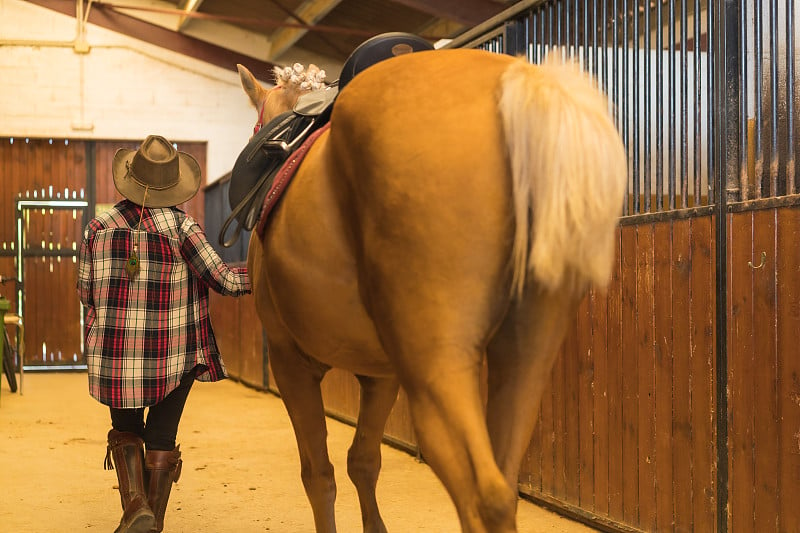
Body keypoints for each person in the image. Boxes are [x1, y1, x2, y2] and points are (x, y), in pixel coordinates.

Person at [77, 134, 251, 533]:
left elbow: (85, 293)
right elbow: (223, 280)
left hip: (114, 357)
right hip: (174, 355)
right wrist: (268, 274)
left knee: (126, 431)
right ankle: (150, 522)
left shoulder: (97, 228)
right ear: (174, 184)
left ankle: (136, 507)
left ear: (130, 178)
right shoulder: (182, 227)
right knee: (161, 435)